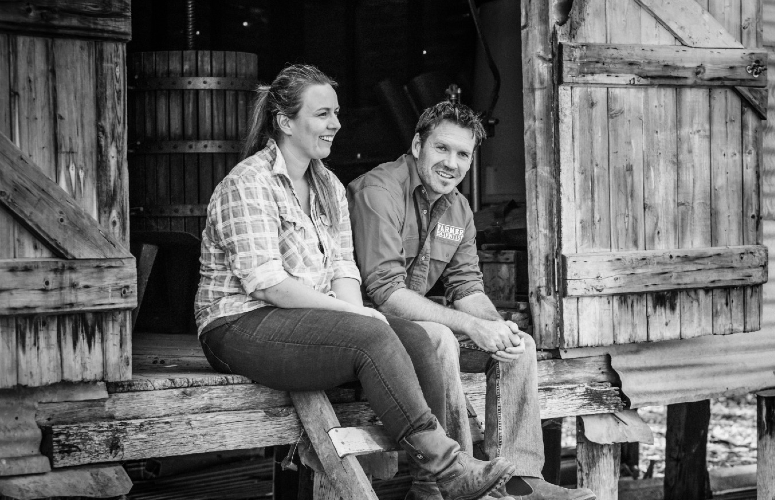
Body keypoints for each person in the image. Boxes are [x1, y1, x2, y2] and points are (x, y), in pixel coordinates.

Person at [194, 65, 514, 500]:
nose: (336, 124)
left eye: (337, 113)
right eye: (323, 114)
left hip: (305, 320)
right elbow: (267, 283)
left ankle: (431, 489)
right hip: (238, 325)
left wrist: (359, 312)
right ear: (286, 122)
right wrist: (357, 315)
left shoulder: (327, 185)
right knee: (371, 333)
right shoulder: (249, 182)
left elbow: (344, 267)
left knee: (419, 339)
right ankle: (448, 466)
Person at [347, 101, 597, 500]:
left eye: (463, 154)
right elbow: (386, 295)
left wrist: (494, 326)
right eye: (441, 149)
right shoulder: (379, 192)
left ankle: (518, 480)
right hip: (367, 333)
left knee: (520, 345)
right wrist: (468, 325)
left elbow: (466, 286)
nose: (451, 163)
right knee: (439, 337)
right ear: (416, 145)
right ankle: (453, 478)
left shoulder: (458, 207)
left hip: (414, 327)